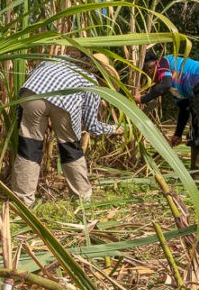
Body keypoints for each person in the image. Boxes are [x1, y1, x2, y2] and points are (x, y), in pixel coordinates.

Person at [9, 53, 119, 207]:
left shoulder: (58, 58)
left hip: (32, 95)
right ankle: (82, 201)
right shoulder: (90, 80)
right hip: (64, 104)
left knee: (29, 148)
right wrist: (113, 128)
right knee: (70, 149)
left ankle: (23, 202)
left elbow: (32, 75)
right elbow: (91, 125)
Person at [134, 50, 199, 193]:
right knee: (196, 131)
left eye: (149, 69)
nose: (151, 73)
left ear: (154, 65)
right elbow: (184, 109)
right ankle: (196, 177)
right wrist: (177, 134)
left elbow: (164, 85)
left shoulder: (164, 63)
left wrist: (143, 99)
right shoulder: (176, 85)